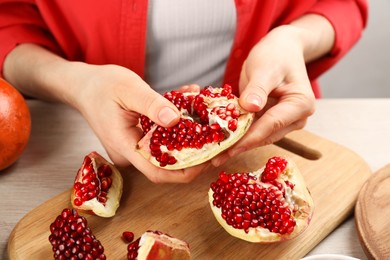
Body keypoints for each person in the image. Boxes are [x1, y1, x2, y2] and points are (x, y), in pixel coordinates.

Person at [0, 1, 368, 183]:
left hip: (269, 123)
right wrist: (75, 82)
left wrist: (295, 39)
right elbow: (8, 19)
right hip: (70, 127)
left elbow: (342, 4)